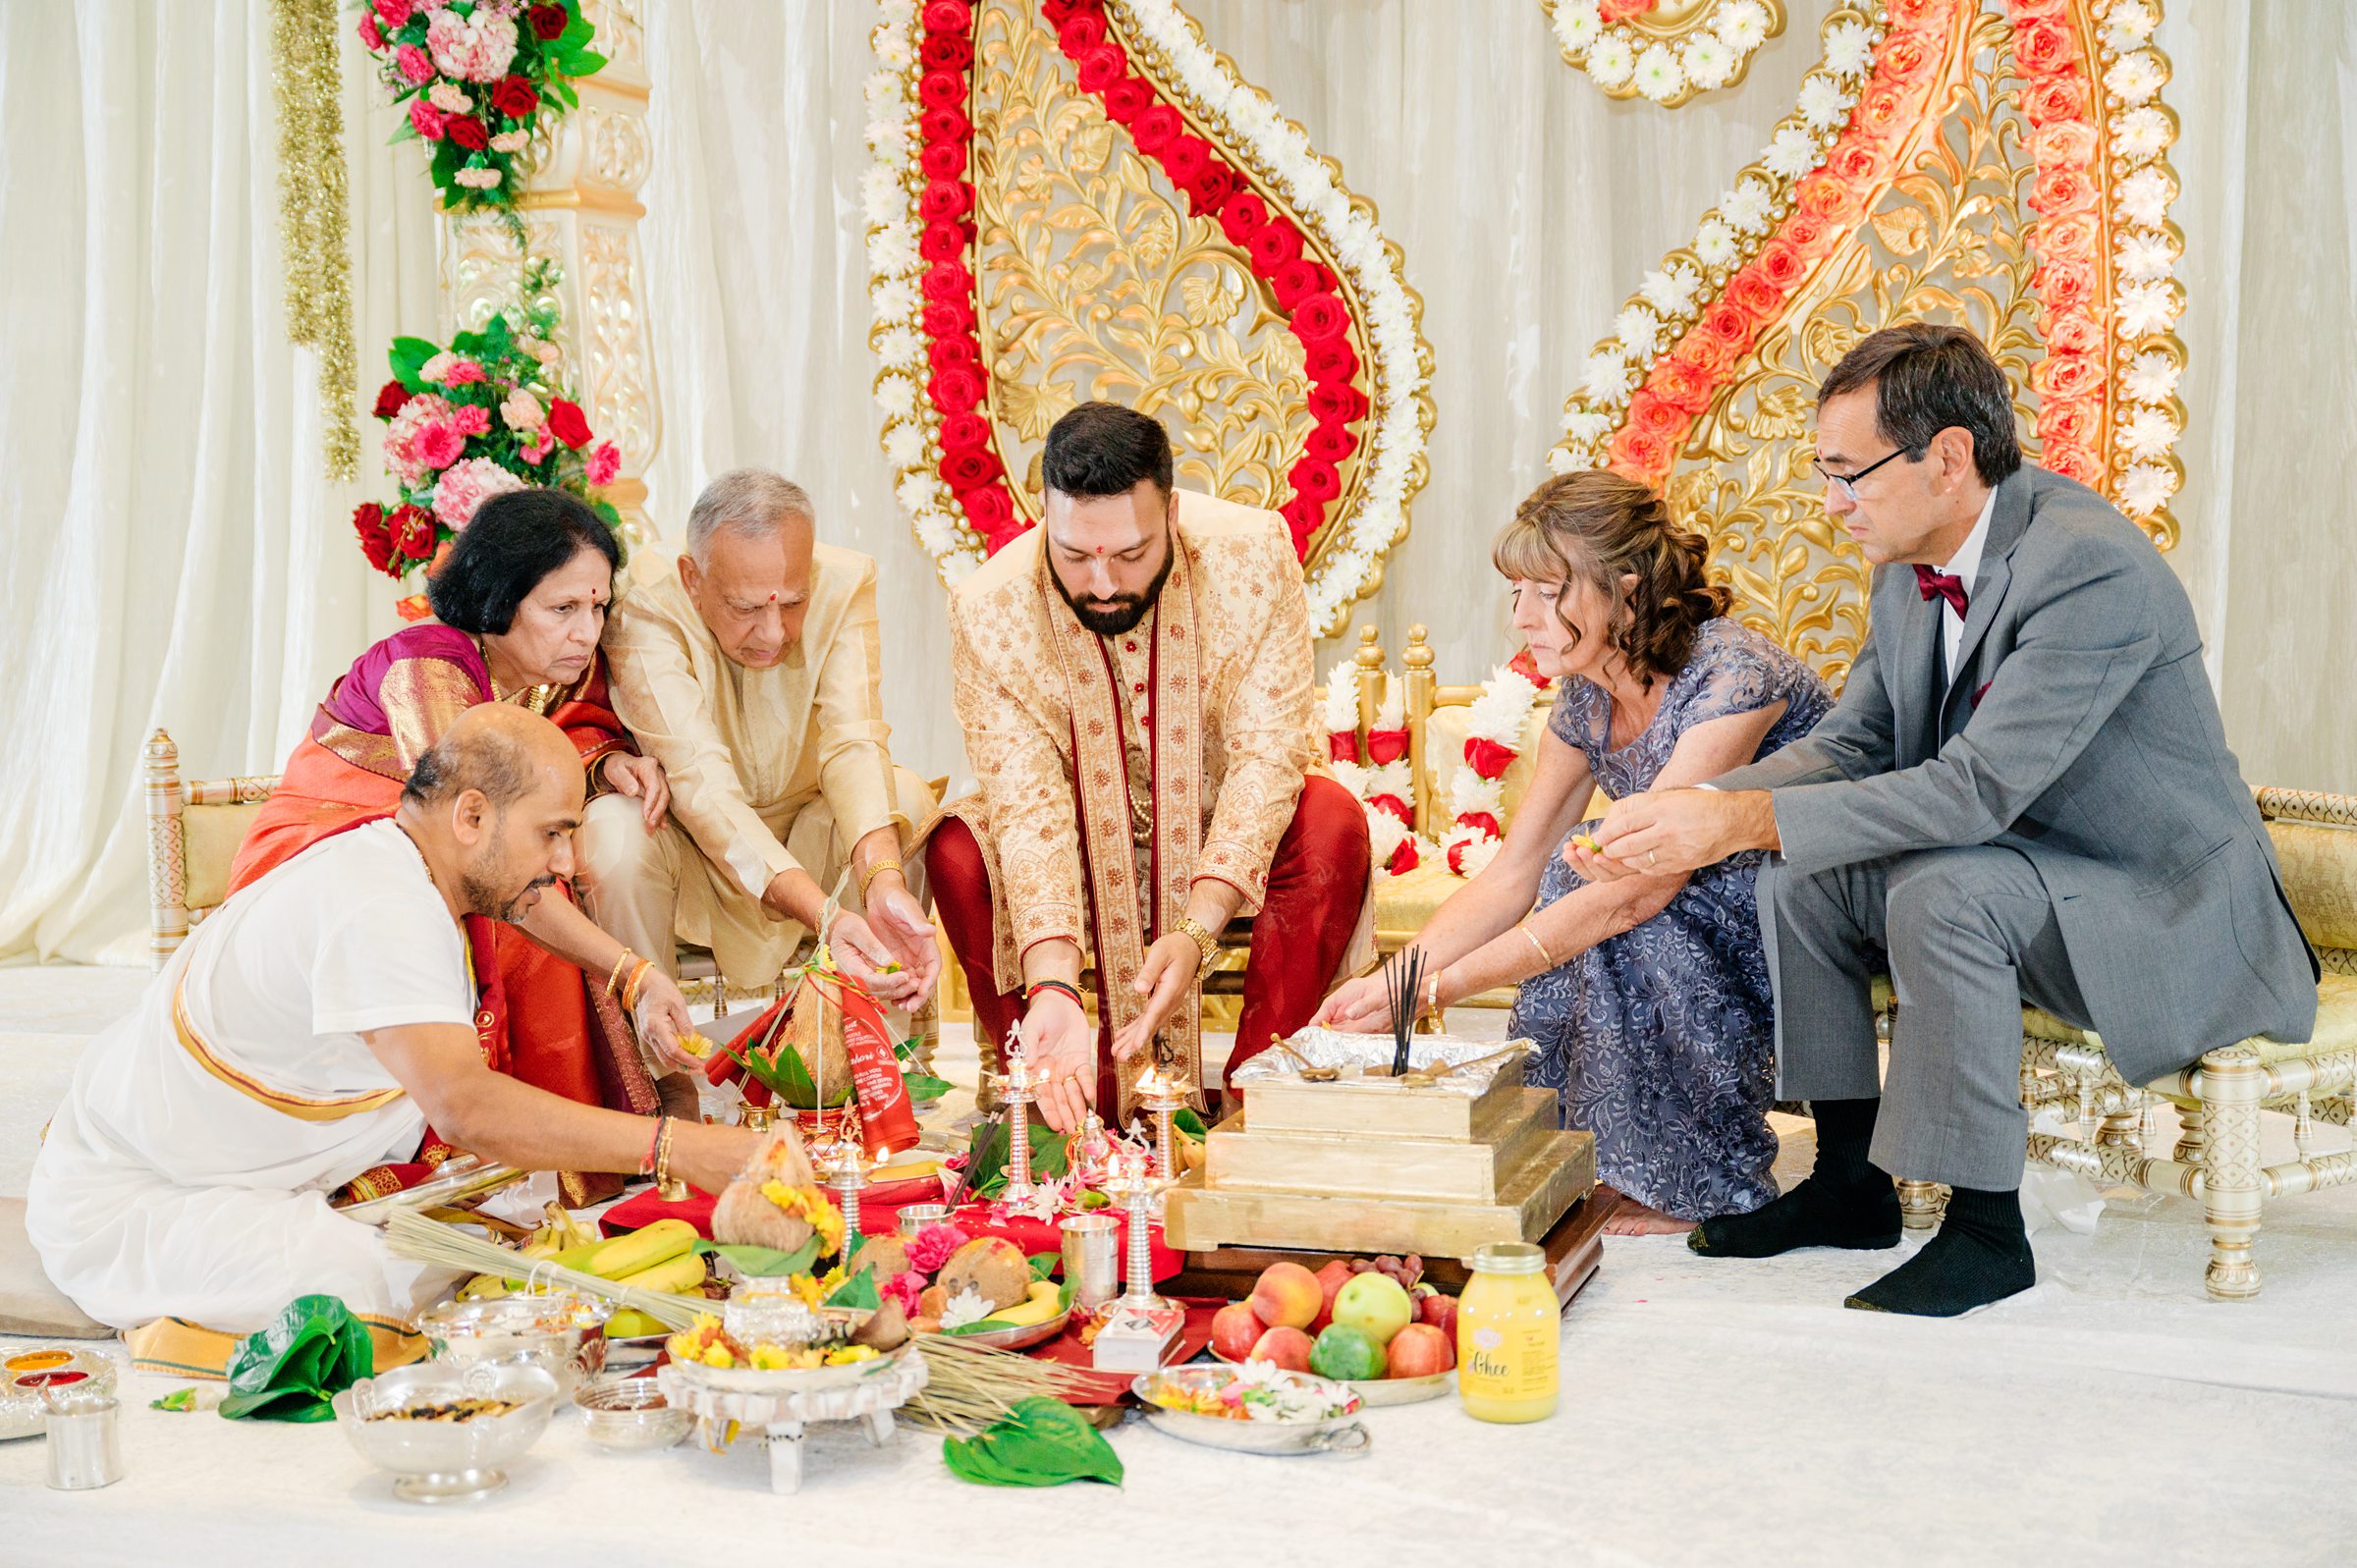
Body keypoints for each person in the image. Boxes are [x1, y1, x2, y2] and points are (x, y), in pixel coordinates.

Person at [1576, 322, 2318, 1315]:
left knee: (1942, 884)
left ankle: (1985, 1230)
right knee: (1804, 875)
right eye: (1822, 474)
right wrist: (1693, 801)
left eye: (1850, 475)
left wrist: (1743, 821)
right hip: (2034, 867)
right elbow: (1855, 744)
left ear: (1950, 456)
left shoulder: (2089, 564)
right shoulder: (1907, 558)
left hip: (2159, 902)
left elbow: (1974, 792)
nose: (1832, 504)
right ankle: (1851, 1183)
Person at [27, 707, 758, 1336]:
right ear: (471, 815)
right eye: (553, 834)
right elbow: (465, 1107)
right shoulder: (381, 903)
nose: (567, 860)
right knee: (376, 1288)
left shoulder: (410, 858)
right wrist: (675, 1148)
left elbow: (527, 899)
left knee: (497, 1230)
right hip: (135, 1201)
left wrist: (633, 974)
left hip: (224, 1162)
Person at [1314, 471, 1831, 1234]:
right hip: (1673, 895)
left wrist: (1436, 991)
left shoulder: (1732, 674)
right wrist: (1401, 975)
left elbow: (1647, 888)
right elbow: (1511, 872)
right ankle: (1596, 1152)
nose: (1519, 616)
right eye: (1514, 590)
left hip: (1794, 918)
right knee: (1567, 873)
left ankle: (1702, 1175)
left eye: (1543, 589)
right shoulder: (1588, 693)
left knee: (1619, 905)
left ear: (1624, 590)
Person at [227, 489, 693, 1202]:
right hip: (319, 860)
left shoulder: (529, 679)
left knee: (542, 887)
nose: (586, 632)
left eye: (596, 608)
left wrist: (601, 765)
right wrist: (631, 971)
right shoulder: (429, 667)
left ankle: (562, 1155)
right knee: (525, 918)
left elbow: (549, 756)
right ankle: (506, 1155)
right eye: (561, 608)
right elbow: (474, 840)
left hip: (420, 854)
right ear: (499, 596)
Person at [925, 402, 1371, 1133]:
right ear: (1045, 518)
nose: (1102, 583)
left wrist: (1198, 929)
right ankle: (1054, 1098)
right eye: (1074, 556)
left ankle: (1253, 1105)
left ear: (1172, 510)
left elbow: (1269, 752)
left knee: (1330, 819)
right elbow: (1029, 808)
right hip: (1073, 850)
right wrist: (1054, 985)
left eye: (1130, 555)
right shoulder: (989, 606)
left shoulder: (1251, 555)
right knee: (957, 848)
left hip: (1223, 831)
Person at [576, 469, 940, 1013]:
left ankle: (872, 1062)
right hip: (697, 847)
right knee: (613, 835)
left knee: (905, 799)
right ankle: (652, 1071)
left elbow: (853, 742)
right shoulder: (646, 601)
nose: (774, 633)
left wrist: (882, 879)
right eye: (747, 609)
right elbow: (700, 783)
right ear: (692, 578)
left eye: (792, 604)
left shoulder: (845, 583)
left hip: (808, 838)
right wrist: (825, 916)